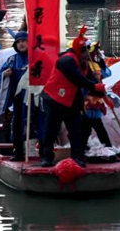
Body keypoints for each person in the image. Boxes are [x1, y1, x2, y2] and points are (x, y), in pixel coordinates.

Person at [39, 28, 105, 167]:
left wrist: (100, 91)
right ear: (78, 51)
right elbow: (78, 78)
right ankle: (46, 158)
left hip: (72, 101)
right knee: (51, 129)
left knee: (76, 130)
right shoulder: (66, 60)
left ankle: (78, 158)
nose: (88, 54)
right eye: (85, 51)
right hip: (54, 99)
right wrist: (93, 87)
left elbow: (89, 79)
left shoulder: (85, 64)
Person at [0, 32, 32, 161]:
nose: (21, 44)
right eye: (19, 41)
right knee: (18, 125)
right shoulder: (12, 60)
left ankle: (42, 153)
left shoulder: (35, 59)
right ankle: (19, 153)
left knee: (36, 124)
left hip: (34, 99)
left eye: (24, 41)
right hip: (18, 99)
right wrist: (4, 75)